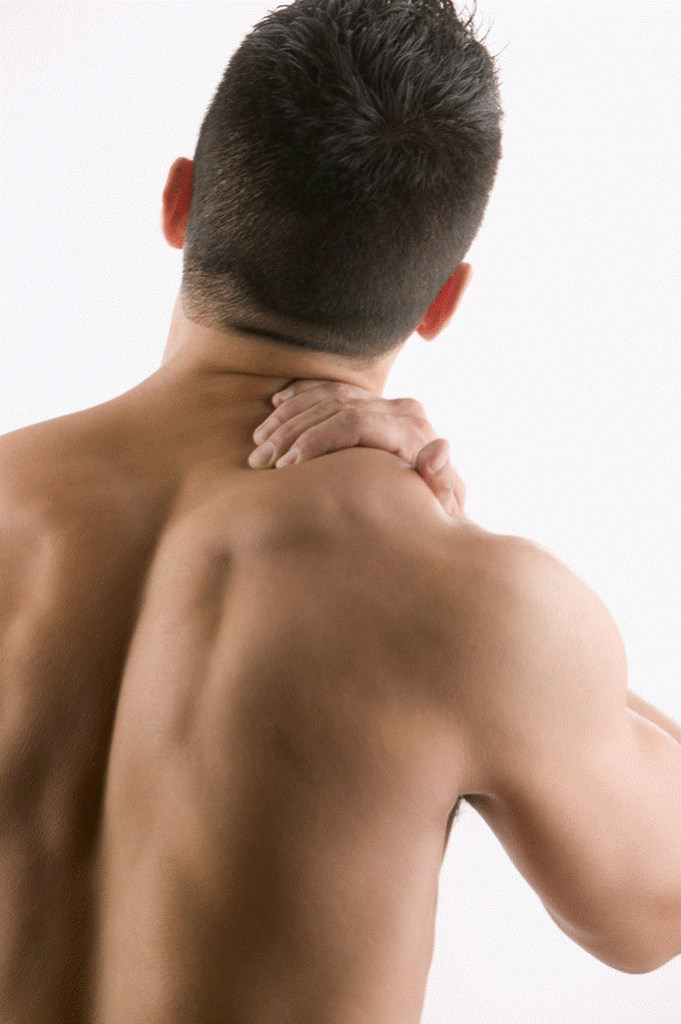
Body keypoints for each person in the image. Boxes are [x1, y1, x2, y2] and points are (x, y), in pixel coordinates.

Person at [0, 1, 679, 1022]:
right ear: (441, 301)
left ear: (179, 202)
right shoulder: (487, 613)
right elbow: (654, 913)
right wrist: (453, 546)